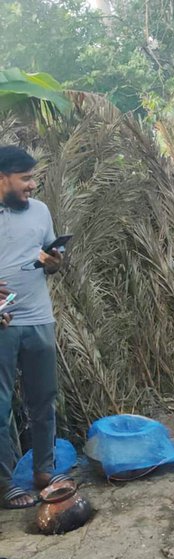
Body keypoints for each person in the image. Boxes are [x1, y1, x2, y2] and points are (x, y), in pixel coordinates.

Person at [0, 146, 67, 509]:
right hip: (3, 325)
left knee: (44, 400)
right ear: (2, 178)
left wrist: (54, 261)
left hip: (39, 318)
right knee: (0, 406)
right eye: (25, 178)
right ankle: (4, 483)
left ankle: (44, 471)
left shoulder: (40, 211)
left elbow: (52, 263)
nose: (32, 184)